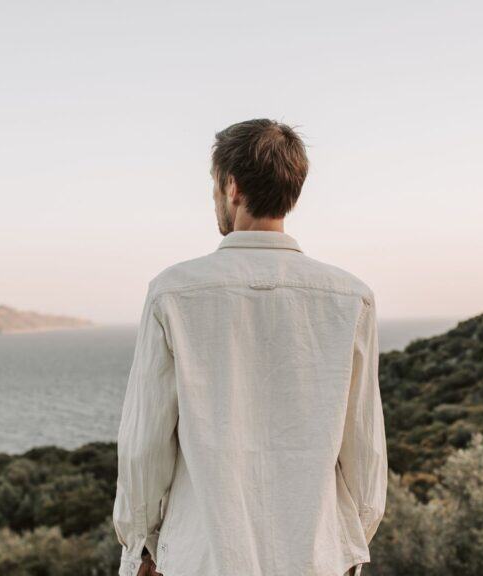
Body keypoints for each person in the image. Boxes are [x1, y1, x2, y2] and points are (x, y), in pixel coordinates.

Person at [112, 119, 388, 576]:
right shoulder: (351, 297)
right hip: (317, 559)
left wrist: (140, 547)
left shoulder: (173, 292)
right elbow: (364, 448)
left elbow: (144, 446)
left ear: (232, 187)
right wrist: (346, 545)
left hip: (202, 558)